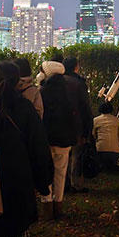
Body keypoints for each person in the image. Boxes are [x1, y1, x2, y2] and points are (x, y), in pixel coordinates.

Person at [0, 61, 53, 237]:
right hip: (18, 185)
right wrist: (43, 182)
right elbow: (38, 148)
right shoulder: (25, 108)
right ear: (18, 82)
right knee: (16, 234)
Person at [39, 60, 77, 220]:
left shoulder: (41, 91)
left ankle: (46, 205)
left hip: (46, 139)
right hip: (64, 140)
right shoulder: (69, 91)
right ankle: (58, 204)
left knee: (46, 172)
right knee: (60, 174)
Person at [63, 56, 93, 193]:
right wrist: (88, 128)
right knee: (76, 155)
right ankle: (75, 184)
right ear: (76, 67)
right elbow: (85, 108)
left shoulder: (57, 82)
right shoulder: (79, 83)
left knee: (64, 155)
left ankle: (64, 184)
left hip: (61, 124)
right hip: (77, 125)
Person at [92, 101, 119, 172]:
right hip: (115, 152)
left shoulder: (96, 120)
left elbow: (92, 135)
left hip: (100, 150)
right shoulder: (116, 120)